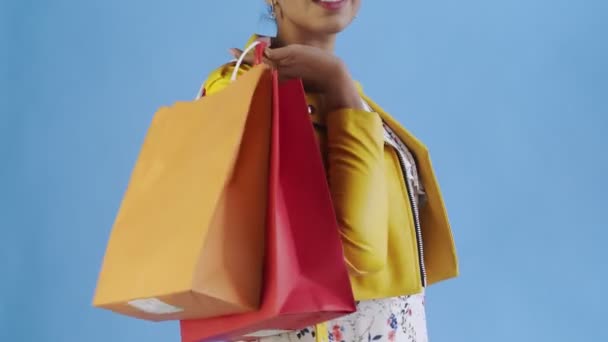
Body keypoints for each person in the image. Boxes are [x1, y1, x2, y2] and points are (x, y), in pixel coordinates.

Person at [198, 1, 459, 341]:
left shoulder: (341, 90)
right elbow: (355, 258)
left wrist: (338, 84)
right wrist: (339, 87)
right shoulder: (242, 91)